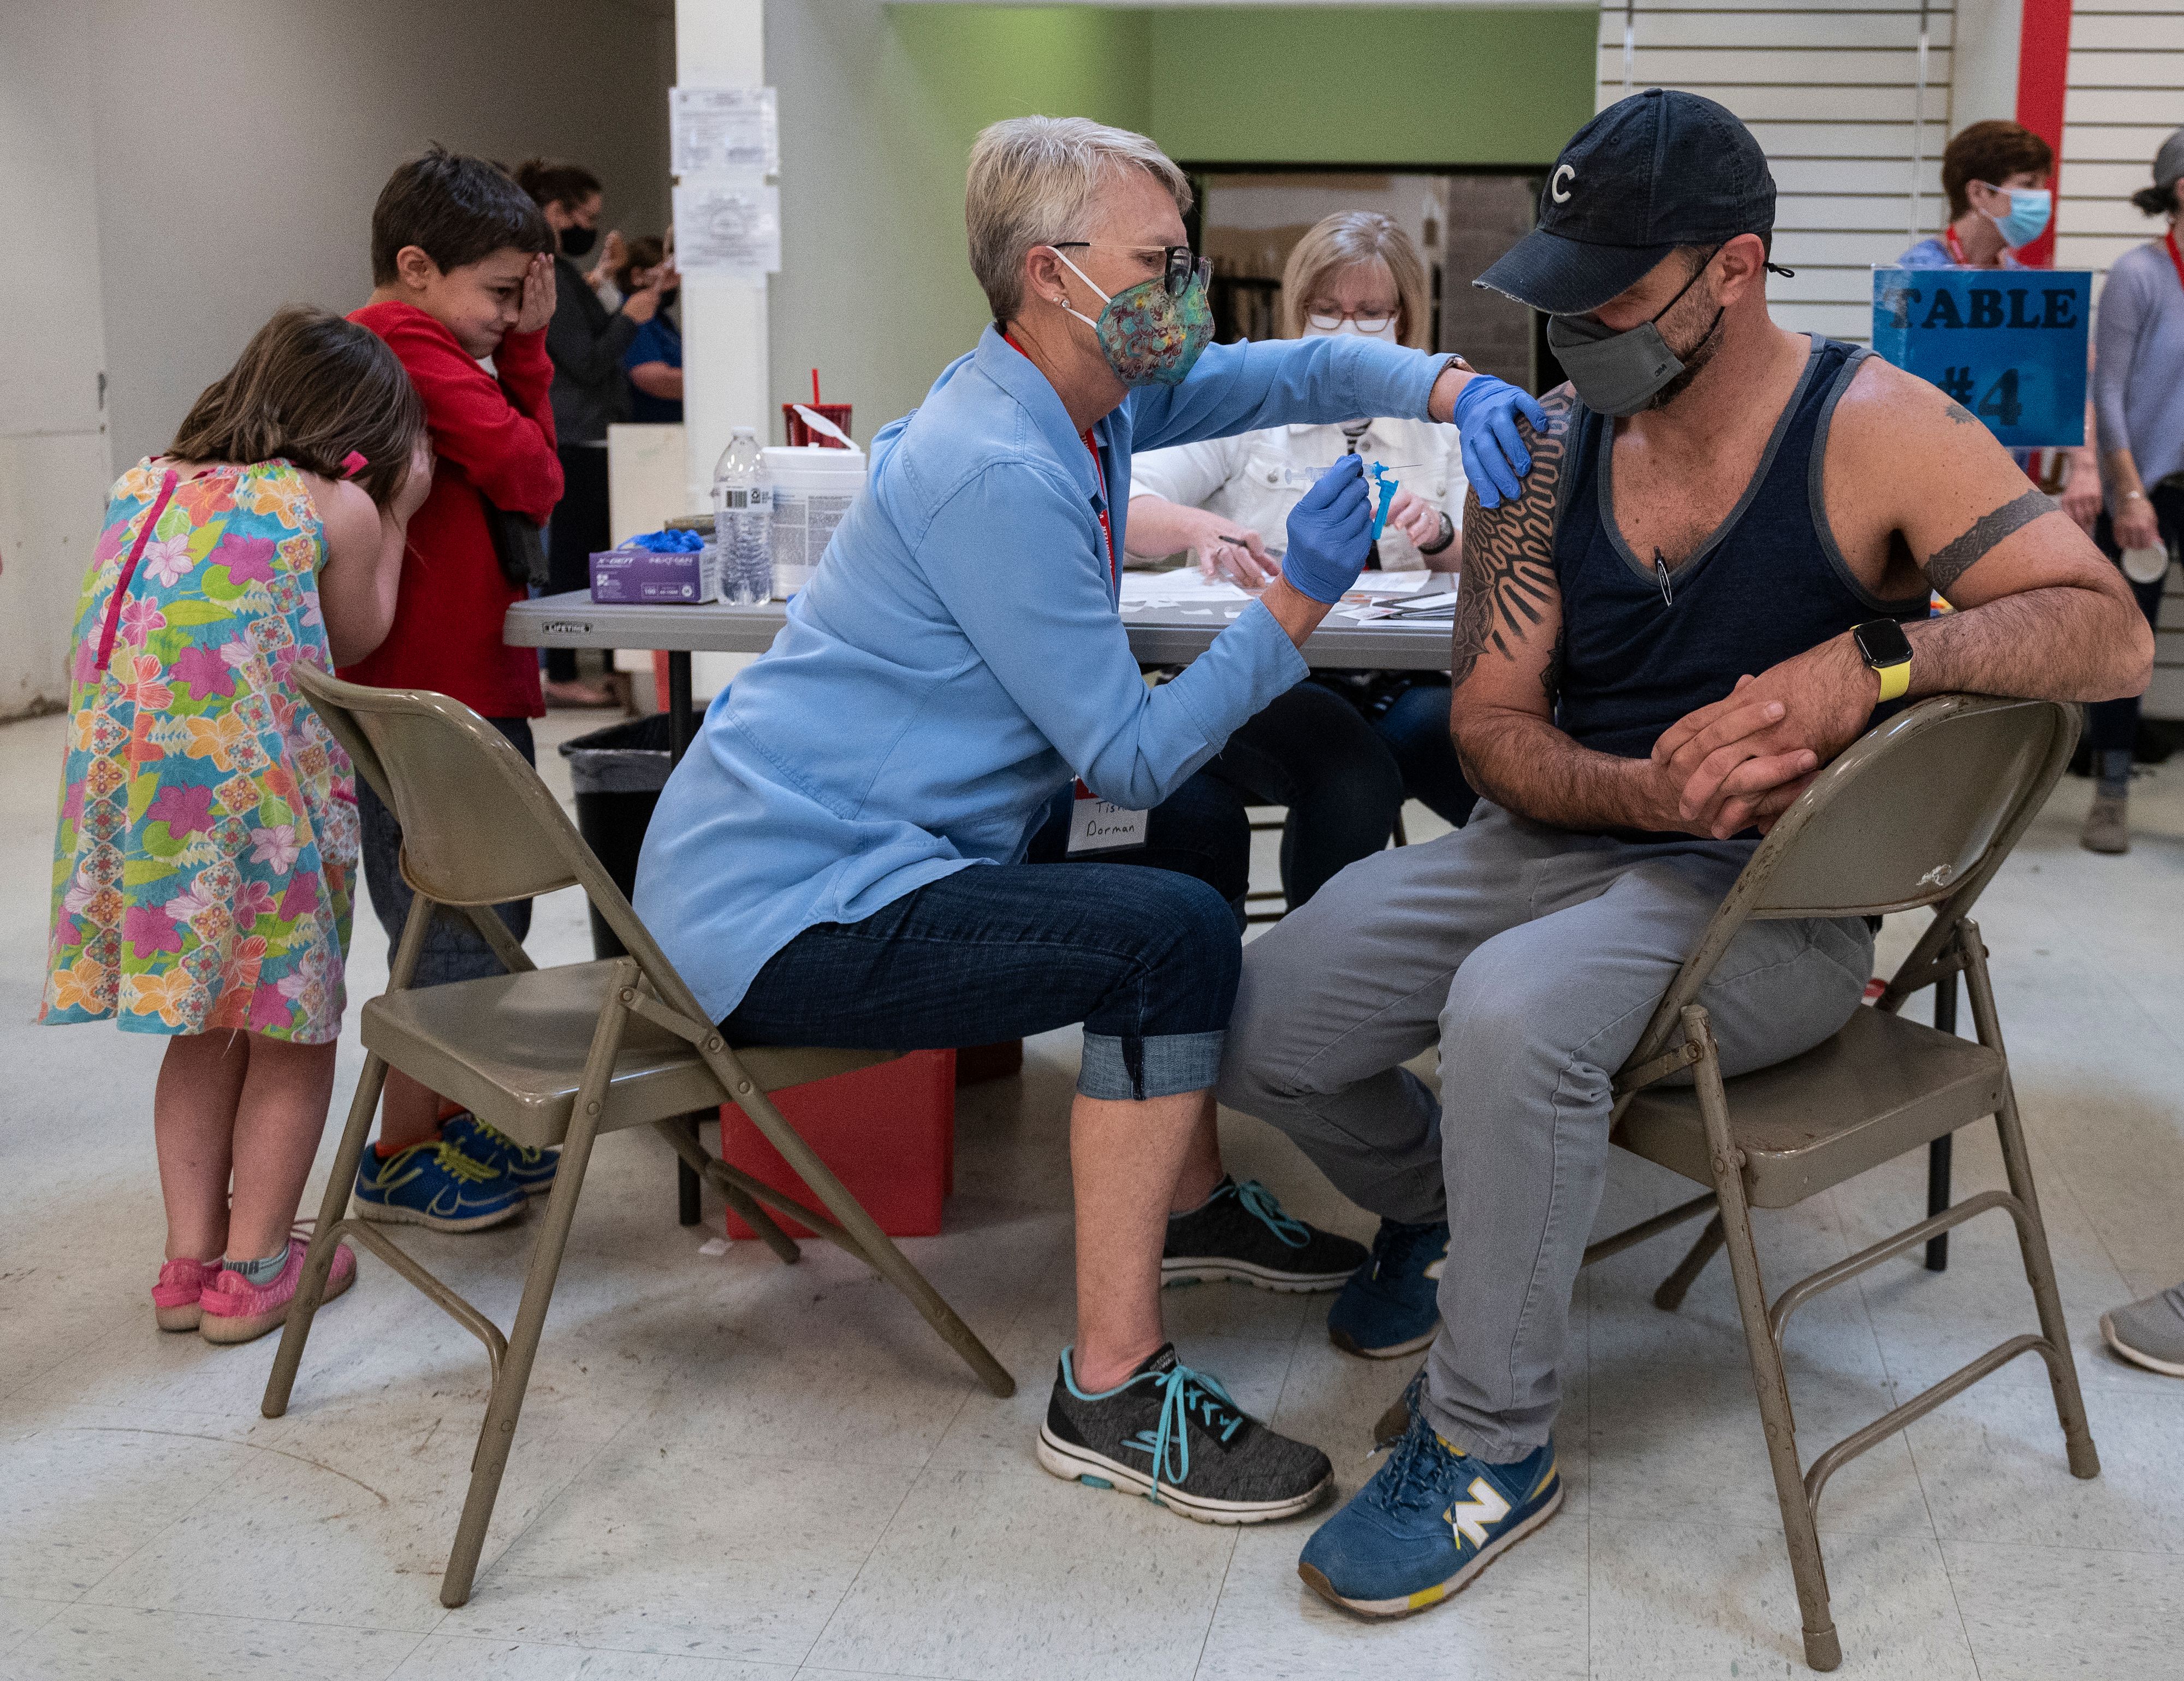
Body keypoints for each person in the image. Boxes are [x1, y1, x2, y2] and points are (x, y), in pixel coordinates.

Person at [1218, 89, 2152, 1615]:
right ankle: (1470, 1211)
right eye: (1563, 288)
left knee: (1516, 1014)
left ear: (1736, 268)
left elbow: (2107, 630)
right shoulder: (1541, 459)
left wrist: (1878, 660)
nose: (1579, 323)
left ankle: (1487, 1440)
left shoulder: (1874, 429)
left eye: (1615, 291)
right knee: (1268, 1013)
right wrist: (1641, 791)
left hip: (1776, 894)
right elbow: (1493, 726)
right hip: (1585, 830)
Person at [634, 116, 1544, 1524]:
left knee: (1186, 834)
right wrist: (1292, 602)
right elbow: (1117, 754)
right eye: (1161, 262)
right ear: (1052, 276)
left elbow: (1290, 364)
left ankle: (1187, 1205)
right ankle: (1112, 1383)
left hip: (884, 843)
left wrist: (1444, 382)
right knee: (1171, 925)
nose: (1186, 291)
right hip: (788, 904)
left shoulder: (1084, 398)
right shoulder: (994, 463)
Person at [40, 308, 432, 1343]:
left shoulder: (145, 481)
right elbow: (357, 632)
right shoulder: (336, 501)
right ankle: (259, 1264)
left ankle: (188, 1263)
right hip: (266, 816)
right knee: (292, 1036)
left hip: (148, 814)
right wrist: (396, 514)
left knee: (204, 1025)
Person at [1128, 212, 1477, 909]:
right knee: (1351, 776)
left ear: (1406, 318)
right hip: (1271, 673)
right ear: (1298, 309)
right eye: (1327, 310)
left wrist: (1438, 534)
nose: (1349, 329)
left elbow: (1490, 563)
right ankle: (1312, 969)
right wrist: (1203, 529)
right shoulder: (1249, 406)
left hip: (1401, 680)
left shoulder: (1442, 427)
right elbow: (1124, 500)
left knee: (1483, 755)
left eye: (1371, 312)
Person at [345, 147, 566, 1231]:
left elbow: (526, 474)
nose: (512, 316)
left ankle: (444, 1119)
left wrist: (515, 351)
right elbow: (533, 475)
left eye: (527, 297)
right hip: (423, 696)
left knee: (478, 919)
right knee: (444, 928)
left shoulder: (432, 345)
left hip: (465, 685)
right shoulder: (395, 345)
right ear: (418, 267)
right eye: (500, 294)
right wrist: (529, 353)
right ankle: (397, 1151)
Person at [1897, 122, 2104, 539]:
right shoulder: (1918, 276)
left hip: (2010, 491)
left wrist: (2085, 468)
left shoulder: (2026, 284)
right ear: (1979, 194)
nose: (2042, 200)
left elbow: (2071, 386)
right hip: (1927, 494)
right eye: (2027, 185)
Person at [516, 159, 671, 708]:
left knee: (592, 554)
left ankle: (601, 669)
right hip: (578, 436)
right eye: (586, 214)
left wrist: (611, 290)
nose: (591, 225)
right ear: (557, 212)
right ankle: (561, 672)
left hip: (592, 435)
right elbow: (585, 358)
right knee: (574, 560)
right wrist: (632, 315)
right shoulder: (548, 276)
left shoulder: (565, 276)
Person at [2081, 127, 2184, 854]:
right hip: (2147, 487)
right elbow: (2108, 391)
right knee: (2127, 643)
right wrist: (2128, 493)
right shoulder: (2139, 275)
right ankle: (2111, 791)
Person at [617, 235, 683, 424]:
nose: (676, 283)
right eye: (669, 275)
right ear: (637, 276)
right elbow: (650, 376)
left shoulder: (660, 318)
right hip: (647, 429)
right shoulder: (636, 316)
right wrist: (713, 382)